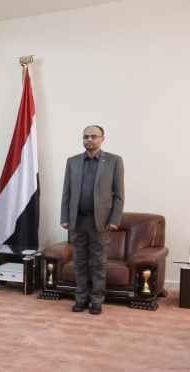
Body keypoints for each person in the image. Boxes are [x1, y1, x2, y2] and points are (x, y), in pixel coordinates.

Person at [60, 125, 124, 315]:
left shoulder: (114, 161)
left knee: (98, 263)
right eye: (86, 136)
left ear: (102, 138)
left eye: (93, 136)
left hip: (100, 222)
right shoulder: (72, 162)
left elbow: (119, 194)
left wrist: (115, 219)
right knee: (79, 262)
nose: (89, 139)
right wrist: (64, 217)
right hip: (77, 221)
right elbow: (66, 192)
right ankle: (81, 299)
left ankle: (96, 300)